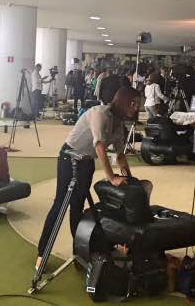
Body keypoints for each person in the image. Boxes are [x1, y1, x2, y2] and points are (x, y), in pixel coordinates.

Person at [35, 87, 151, 270]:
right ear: (123, 101)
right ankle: (42, 253)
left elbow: (120, 155)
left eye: (137, 104)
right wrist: (111, 178)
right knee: (60, 205)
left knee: (77, 207)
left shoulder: (118, 124)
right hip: (69, 157)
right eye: (133, 103)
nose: (136, 108)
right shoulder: (100, 114)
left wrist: (129, 178)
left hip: (86, 162)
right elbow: (99, 146)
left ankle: (80, 251)